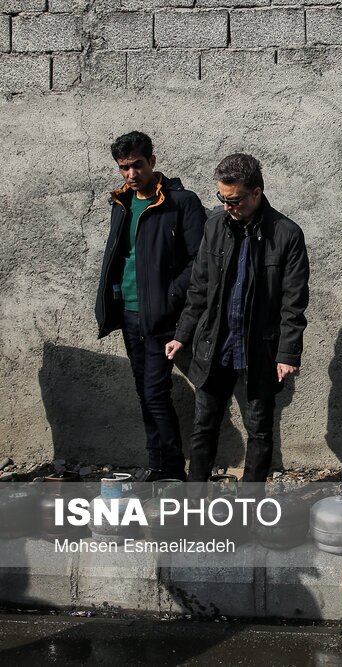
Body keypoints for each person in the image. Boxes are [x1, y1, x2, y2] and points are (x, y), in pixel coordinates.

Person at [165, 153, 309, 484]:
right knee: (204, 426)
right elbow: (199, 288)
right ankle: (194, 501)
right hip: (214, 345)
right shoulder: (214, 226)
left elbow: (293, 301)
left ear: (256, 192)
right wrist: (182, 334)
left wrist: (287, 353)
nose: (228, 206)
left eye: (235, 200)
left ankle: (249, 507)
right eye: (222, 199)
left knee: (259, 431)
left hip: (258, 351)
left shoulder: (286, 234)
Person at [95, 131, 206, 482]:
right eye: (124, 168)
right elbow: (121, 255)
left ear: (152, 162)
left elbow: (199, 261)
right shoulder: (121, 201)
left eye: (137, 165)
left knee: (156, 391)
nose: (131, 174)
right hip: (128, 312)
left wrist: (171, 297)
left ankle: (171, 469)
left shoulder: (180, 202)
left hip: (161, 315)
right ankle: (157, 465)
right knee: (144, 391)